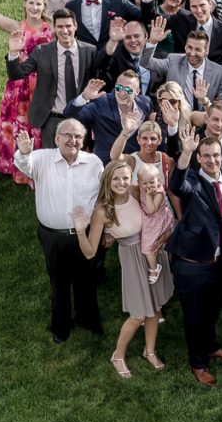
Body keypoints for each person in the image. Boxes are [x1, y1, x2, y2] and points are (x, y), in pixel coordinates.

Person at [73, 160, 173, 377]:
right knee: (138, 315)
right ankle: (118, 355)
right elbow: (90, 252)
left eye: (125, 178)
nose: (121, 182)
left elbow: (157, 208)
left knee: (155, 308)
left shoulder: (136, 191)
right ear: (108, 180)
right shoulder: (103, 210)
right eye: (116, 178)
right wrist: (81, 231)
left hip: (153, 252)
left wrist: (165, 232)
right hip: (131, 258)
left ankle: (150, 351)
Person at [13, 121, 104, 344]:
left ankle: (87, 319)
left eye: (78, 136)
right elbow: (25, 165)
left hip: (86, 233)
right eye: (67, 135)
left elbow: (101, 196)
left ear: (84, 140)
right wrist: (25, 152)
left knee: (87, 280)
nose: (73, 140)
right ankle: (61, 327)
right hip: (53, 235)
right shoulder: (42, 158)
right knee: (59, 283)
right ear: (56, 138)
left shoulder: (94, 163)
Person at [166, 129, 222, 388]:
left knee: (212, 311)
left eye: (216, 155)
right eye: (206, 156)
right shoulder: (191, 181)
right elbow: (175, 185)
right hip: (193, 264)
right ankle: (198, 363)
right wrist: (185, 152)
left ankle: (210, 347)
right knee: (194, 317)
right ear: (199, 158)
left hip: (220, 263)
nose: (212, 160)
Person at [0, 0, 51, 184]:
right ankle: (18, 164)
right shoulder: (16, 26)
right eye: (30, 3)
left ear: (44, 6)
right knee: (19, 123)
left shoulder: (51, 27)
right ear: (25, 4)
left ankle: (39, 164)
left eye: (38, 4)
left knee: (39, 122)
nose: (34, 7)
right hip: (20, 84)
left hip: (42, 84)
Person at [5, 9, 103, 143]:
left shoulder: (90, 51)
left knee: (79, 161)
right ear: (54, 28)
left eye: (68, 26)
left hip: (81, 117)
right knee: (52, 162)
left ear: (75, 26)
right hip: (52, 119)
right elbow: (17, 74)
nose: (64, 31)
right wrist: (13, 53)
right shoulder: (42, 51)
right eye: (60, 27)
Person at [65, 69, 154, 159]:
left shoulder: (145, 104)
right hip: (107, 165)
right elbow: (71, 116)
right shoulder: (102, 103)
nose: (122, 93)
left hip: (135, 163)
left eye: (128, 90)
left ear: (137, 92)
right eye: (119, 88)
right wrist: (84, 97)